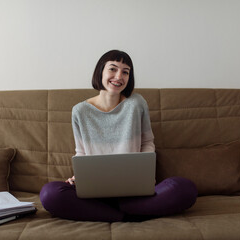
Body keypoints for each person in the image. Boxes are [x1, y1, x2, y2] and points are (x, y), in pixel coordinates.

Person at [40, 50, 197, 222]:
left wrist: (146, 175)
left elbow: (147, 142)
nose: (119, 76)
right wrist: (79, 177)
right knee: (50, 194)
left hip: (134, 192)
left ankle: (111, 213)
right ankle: (127, 215)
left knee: (185, 188)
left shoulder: (136, 103)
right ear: (100, 71)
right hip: (96, 192)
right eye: (113, 69)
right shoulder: (80, 111)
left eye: (125, 72)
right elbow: (82, 152)